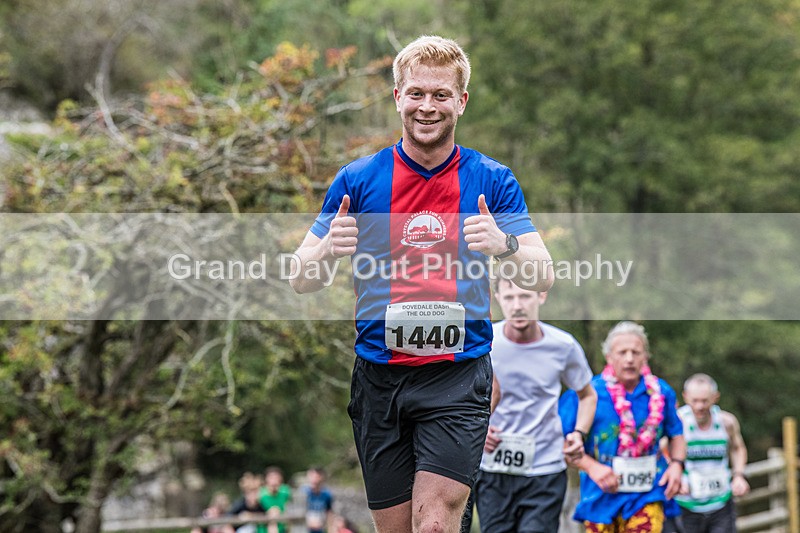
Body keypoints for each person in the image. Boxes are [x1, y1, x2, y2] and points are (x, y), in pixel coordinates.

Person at [289, 34, 553, 533]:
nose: (427, 107)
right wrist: (327, 249)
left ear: (461, 101)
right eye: (416, 93)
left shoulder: (492, 180)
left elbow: (545, 273)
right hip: (379, 378)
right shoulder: (357, 180)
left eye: (440, 95)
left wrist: (505, 246)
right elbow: (301, 278)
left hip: (457, 376)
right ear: (397, 98)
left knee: (434, 523)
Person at [472, 278, 598, 533]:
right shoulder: (484, 343)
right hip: (494, 467)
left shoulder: (563, 345)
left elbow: (587, 395)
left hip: (545, 468)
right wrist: (477, 431)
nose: (517, 305)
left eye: (525, 297)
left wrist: (578, 433)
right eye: (509, 298)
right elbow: (461, 398)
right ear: (497, 299)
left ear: (541, 297)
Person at [562, 321, 687, 532]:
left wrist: (677, 464)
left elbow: (676, 433)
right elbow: (562, 442)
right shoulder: (588, 394)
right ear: (609, 357)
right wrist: (592, 467)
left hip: (648, 493)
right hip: (600, 496)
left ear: (645, 357)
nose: (629, 359)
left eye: (636, 352)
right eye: (622, 352)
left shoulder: (661, 392)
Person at [674, 373, 750, 533]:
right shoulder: (678, 422)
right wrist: (677, 477)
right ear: (685, 397)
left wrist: (738, 475)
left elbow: (738, 448)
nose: (700, 406)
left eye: (705, 401)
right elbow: (663, 451)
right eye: (695, 400)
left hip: (721, 503)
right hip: (686, 505)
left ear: (715, 397)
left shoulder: (727, 422)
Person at [259, 466, 292, 533]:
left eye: (276, 478)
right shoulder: (260, 495)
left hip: (283, 527)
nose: (274, 481)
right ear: (266, 479)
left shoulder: (286, 493)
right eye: (271, 478)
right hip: (264, 528)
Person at [303, 467, 334, 533]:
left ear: (321, 478)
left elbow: (329, 512)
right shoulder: (302, 493)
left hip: (320, 529)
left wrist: (330, 529)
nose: (314, 479)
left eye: (317, 477)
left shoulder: (326, 494)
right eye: (312, 476)